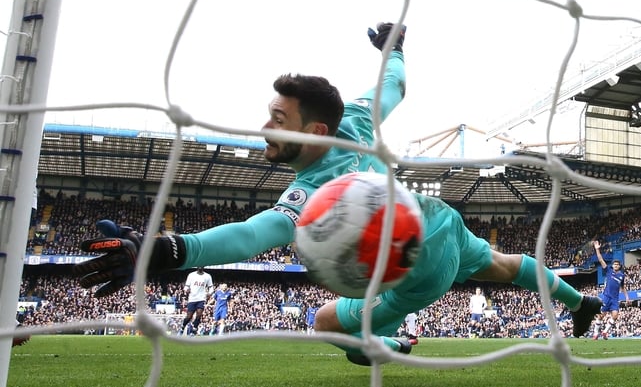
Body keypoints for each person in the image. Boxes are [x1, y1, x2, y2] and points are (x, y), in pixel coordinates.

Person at [73, 22, 602, 366]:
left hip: (414, 270)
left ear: (314, 132)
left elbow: (254, 233)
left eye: (277, 120)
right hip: (440, 221)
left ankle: (391, 344)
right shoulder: (353, 118)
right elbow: (393, 85)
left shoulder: (311, 192)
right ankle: (582, 302)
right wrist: (394, 50)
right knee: (508, 266)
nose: (264, 127)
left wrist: (169, 250)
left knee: (327, 324)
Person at [592, 240, 629, 340]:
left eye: (618, 265)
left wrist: (627, 297)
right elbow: (600, 260)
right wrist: (597, 249)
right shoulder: (608, 271)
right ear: (612, 265)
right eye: (615, 264)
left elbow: (623, 287)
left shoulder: (622, 275)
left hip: (614, 299)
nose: (616, 266)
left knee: (615, 316)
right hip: (606, 297)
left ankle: (605, 332)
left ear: (619, 266)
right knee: (601, 316)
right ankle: (595, 333)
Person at [181, 267, 213, 335]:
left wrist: (209, 293)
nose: (200, 267)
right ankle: (182, 327)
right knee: (189, 316)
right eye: (199, 266)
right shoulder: (191, 275)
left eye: (202, 266)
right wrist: (187, 290)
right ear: (197, 267)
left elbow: (211, 287)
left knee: (199, 314)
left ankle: (194, 329)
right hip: (192, 299)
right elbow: (186, 286)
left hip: (201, 298)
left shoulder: (207, 276)